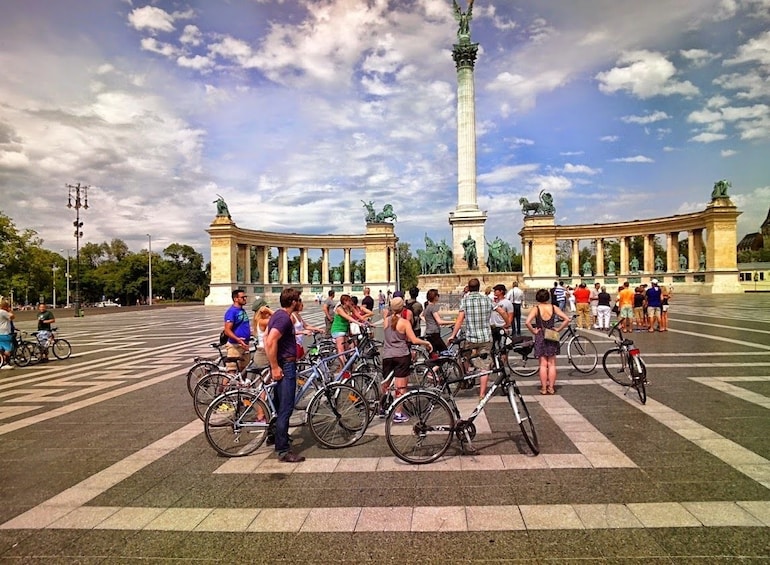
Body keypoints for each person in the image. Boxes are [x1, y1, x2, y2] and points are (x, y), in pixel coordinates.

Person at [447, 278, 508, 399]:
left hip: (471, 337)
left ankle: (468, 374)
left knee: (464, 356)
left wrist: (453, 335)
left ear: (469, 288)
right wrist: (507, 323)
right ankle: (482, 394)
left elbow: (460, 319)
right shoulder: (487, 299)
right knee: (485, 367)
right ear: (479, 287)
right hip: (486, 337)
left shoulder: (465, 300)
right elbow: (501, 311)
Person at [265, 287, 305, 463]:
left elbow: (267, 338)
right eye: (299, 299)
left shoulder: (278, 315)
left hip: (283, 363)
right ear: (293, 302)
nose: (300, 302)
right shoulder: (283, 318)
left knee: (279, 404)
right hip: (285, 365)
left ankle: (275, 436)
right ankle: (283, 450)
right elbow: (271, 340)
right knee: (286, 408)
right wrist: (274, 366)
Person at [382, 297, 433, 422]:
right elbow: (413, 340)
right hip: (401, 355)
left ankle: (383, 407)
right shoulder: (404, 322)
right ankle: (398, 413)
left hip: (387, 355)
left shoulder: (386, 321)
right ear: (402, 307)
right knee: (401, 386)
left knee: (386, 383)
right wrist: (426, 343)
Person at [525, 289, 569, 395]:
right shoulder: (553, 307)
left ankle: (544, 388)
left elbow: (527, 322)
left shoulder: (536, 308)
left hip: (540, 335)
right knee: (552, 364)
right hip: (552, 334)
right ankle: (551, 387)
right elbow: (566, 319)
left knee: (543, 364)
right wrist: (558, 329)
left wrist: (534, 331)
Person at [223, 290, 251, 373]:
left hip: (244, 345)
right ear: (235, 299)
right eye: (242, 297)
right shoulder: (231, 312)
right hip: (235, 346)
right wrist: (238, 339)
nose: (245, 299)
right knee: (231, 372)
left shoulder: (242, 310)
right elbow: (227, 330)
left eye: (245, 297)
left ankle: (242, 386)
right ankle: (224, 386)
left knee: (244, 371)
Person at [423, 288, 454, 354]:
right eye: (437, 295)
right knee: (444, 352)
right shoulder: (432, 307)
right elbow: (439, 321)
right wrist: (454, 321)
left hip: (429, 332)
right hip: (434, 333)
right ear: (435, 297)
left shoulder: (427, 307)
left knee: (434, 353)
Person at [251, 298, 273, 368]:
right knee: (266, 378)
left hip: (265, 352)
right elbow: (280, 319)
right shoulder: (262, 322)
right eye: (267, 309)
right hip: (263, 353)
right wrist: (269, 310)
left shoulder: (260, 321)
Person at [490, 284, 513, 349]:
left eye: (496, 290)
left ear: (501, 291)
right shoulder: (493, 302)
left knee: (503, 348)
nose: (494, 291)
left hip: (502, 327)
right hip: (493, 327)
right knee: (492, 347)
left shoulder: (507, 303)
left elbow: (510, 315)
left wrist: (507, 326)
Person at [0, 300, 15, 369]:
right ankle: (6, 362)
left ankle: (2, 361)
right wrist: (10, 311)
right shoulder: (3, 312)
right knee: (8, 349)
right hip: (4, 332)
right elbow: (12, 317)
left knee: (1, 348)